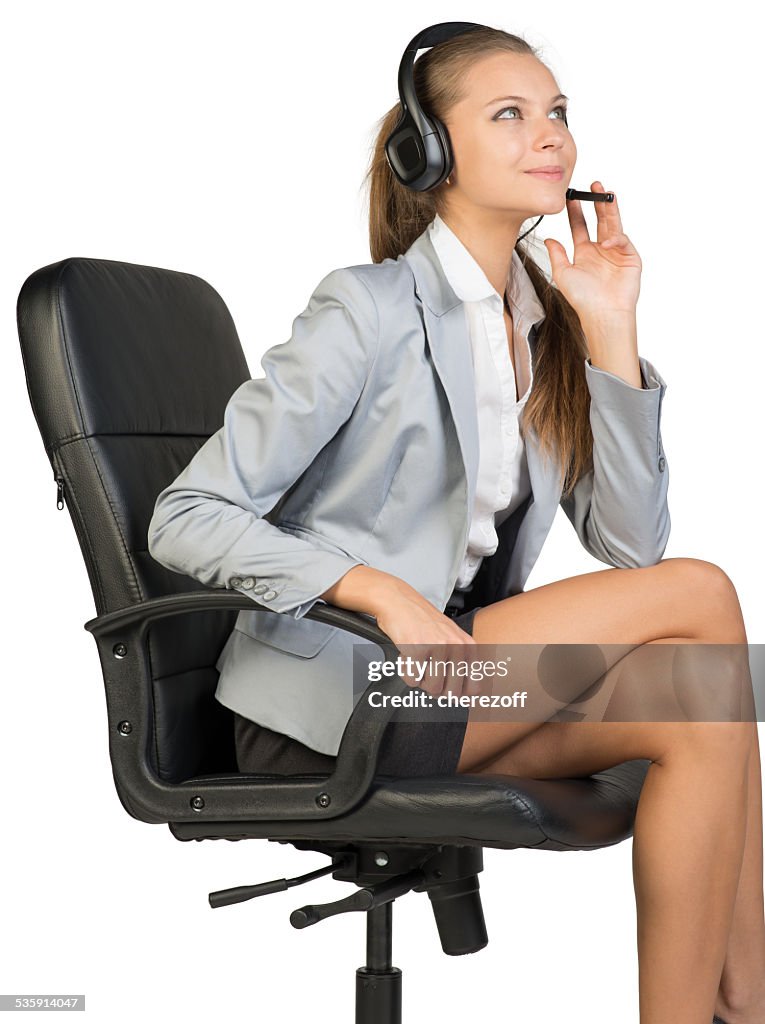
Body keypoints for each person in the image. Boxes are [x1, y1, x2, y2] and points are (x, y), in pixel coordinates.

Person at [147, 25, 764, 1023]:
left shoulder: (547, 324)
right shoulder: (368, 309)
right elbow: (186, 515)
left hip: (456, 683)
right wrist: (375, 587)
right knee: (705, 594)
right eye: (510, 113)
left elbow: (629, 545)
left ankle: (722, 1008)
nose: (550, 134)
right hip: (341, 696)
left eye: (558, 111)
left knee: (708, 705)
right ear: (430, 152)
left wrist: (612, 331)